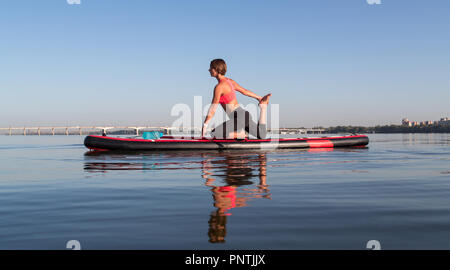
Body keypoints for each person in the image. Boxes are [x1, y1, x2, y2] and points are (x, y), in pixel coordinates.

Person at [201, 59, 271, 139]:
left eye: (211, 68)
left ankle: (241, 134)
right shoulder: (230, 81)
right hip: (244, 115)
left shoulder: (219, 87)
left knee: (215, 134)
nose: (209, 70)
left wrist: (205, 125)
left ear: (216, 69)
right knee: (262, 135)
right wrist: (259, 98)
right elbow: (245, 91)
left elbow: (213, 107)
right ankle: (263, 107)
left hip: (239, 117)